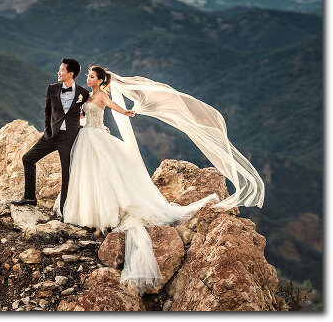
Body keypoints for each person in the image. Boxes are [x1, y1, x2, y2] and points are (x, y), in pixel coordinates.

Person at [57, 64, 265, 292]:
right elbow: (82, 114)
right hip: (87, 136)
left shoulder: (103, 96)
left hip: (96, 137)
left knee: (104, 173)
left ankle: (103, 211)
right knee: (87, 172)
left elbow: (113, 107)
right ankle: (88, 207)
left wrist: (125, 112)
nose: (88, 79)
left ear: (100, 80)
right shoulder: (87, 96)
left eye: (92, 76)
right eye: (88, 76)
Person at [11, 58, 90, 218]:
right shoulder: (52, 88)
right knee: (28, 159)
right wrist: (47, 130)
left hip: (69, 138)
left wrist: (90, 128)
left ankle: (65, 211)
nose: (58, 72)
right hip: (51, 135)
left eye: (62, 70)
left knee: (67, 174)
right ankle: (30, 197)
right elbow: (47, 111)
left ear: (70, 74)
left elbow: (88, 112)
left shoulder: (83, 93)